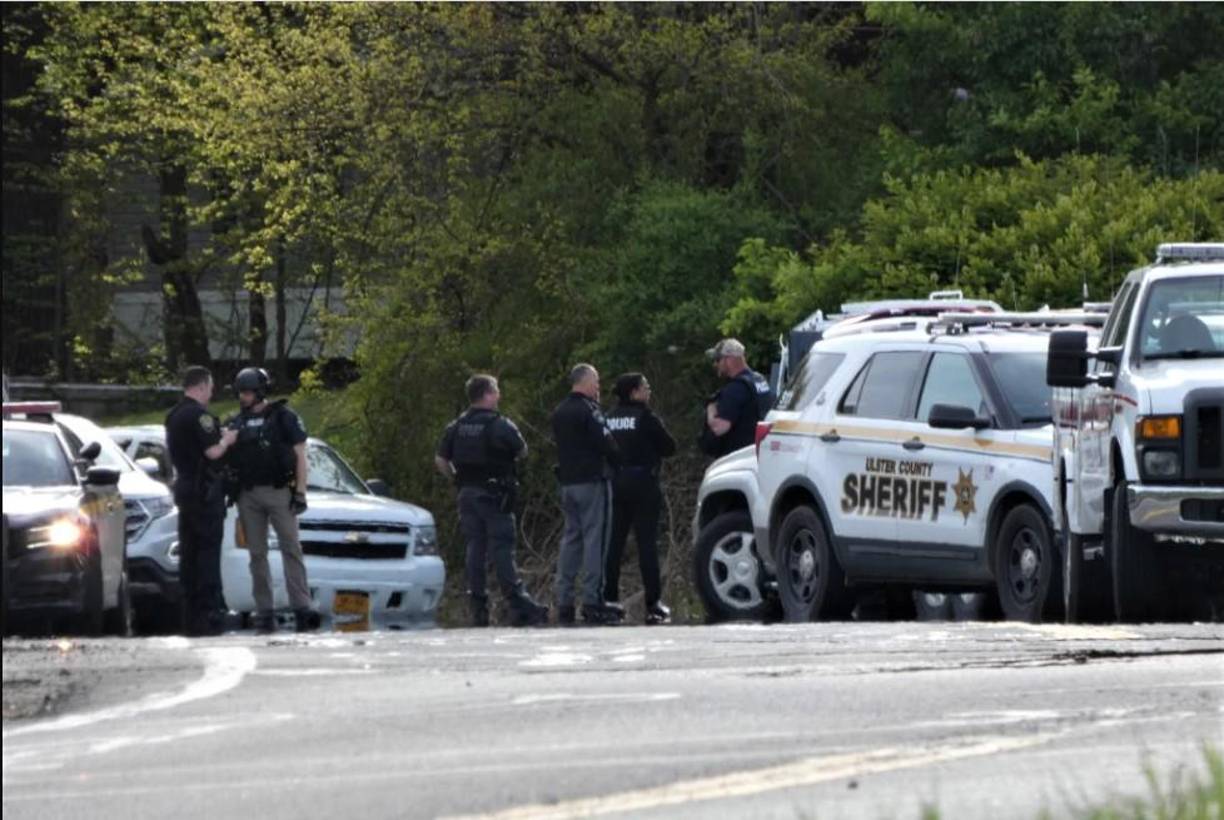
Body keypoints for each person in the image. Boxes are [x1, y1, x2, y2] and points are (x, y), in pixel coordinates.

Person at [435, 374, 549, 627]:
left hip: (467, 493)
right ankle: (518, 602)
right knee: (502, 548)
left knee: (475, 548)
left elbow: (441, 460)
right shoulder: (501, 425)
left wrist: (457, 479)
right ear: (486, 394)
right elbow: (523, 451)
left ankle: (478, 604)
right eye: (496, 391)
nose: (499, 396)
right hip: (494, 494)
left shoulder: (455, 426)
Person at [226, 367, 316, 634]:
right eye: (240, 392)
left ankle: (301, 607)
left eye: (248, 392)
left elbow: (300, 455)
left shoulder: (283, 418)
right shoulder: (236, 422)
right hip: (248, 494)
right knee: (256, 554)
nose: (243, 397)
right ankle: (264, 611)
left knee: (291, 548)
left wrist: (300, 492)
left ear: (260, 391)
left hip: (279, 493)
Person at [164, 365, 238, 636]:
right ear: (201, 386)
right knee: (207, 551)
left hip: (184, 488)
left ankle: (190, 613)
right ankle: (210, 612)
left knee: (189, 552)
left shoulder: (173, 416)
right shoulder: (200, 416)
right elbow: (212, 452)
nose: (211, 393)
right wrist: (228, 439)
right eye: (209, 387)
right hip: (204, 492)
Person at [551, 363, 621, 626]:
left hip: (568, 483)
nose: (599, 387)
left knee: (571, 540)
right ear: (584, 382)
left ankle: (564, 601)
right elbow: (607, 442)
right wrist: (617, 462)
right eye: (596, 382)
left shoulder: (560, 411)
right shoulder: (588, 410)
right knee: (596, 540)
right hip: (592, 482)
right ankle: (593, 600)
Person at [604, 373, 676, 625]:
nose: (649, 391)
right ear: (634, 392)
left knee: (614, 544)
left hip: (616, 484)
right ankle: (653, 603)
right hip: (644, 483)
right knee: (647, 544)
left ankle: (609, 599)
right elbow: (670, 447)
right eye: (646, 387)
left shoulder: (608, 418)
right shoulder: (645, 417)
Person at [703, 338, 772, 457]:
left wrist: (710, 409)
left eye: (718, 359)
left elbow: (720, 428)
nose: (715, 364)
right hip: (759, 453)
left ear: (728, 359)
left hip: (739, 458)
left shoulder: (736, 389)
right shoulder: (759, 380)